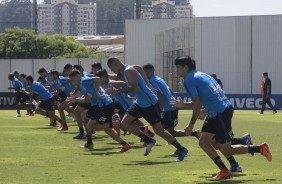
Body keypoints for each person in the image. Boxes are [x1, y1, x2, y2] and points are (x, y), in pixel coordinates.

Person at [170, 56, 272, 179]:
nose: (177, 71)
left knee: (227, 149)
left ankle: (259, 149)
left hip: (220, 113)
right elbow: (208, 98)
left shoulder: (189, 80)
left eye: (178, 67)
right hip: (218, 112)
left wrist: (191, 124)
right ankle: (224, 169)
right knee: (205, 142)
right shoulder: (203, 75)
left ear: (185, 67)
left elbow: (197, 103)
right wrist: (187, 105)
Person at [107, 57, 188, 162]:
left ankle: (182, 149)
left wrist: (118, 91)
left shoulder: (128, 71)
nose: (112, 71)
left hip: (149, 103)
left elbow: (135, 88)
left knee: (159, 130)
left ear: (116, 64)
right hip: (140, 103)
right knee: (125, 123)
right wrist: (148, 83)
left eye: (111, 68)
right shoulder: (128, 69)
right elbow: (140, 68)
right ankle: (148, 140)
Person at [142, 63, 201, 154]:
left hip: (169, 109)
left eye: (143, 72)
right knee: (164, 130)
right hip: (170, 107)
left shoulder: (152, 81)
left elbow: (160, 94)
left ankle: (185, 144)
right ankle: (184, 144)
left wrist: (160, 107)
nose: (142, 74)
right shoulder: (158, 79)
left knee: (170, 132)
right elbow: (169, 89)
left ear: (149, 72)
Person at [68, 70, 132, 152]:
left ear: (77, 76)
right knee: (89, 122)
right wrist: (75, 99)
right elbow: (87, 100)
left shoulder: (84, 80)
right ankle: (125, 144)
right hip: (99, 105)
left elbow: (97, 78)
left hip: (105, 105)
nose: (72, 82)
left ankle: (112, 124)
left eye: (72, 79)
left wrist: (98, 91)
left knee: (91, 126)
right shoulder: (82, 85)